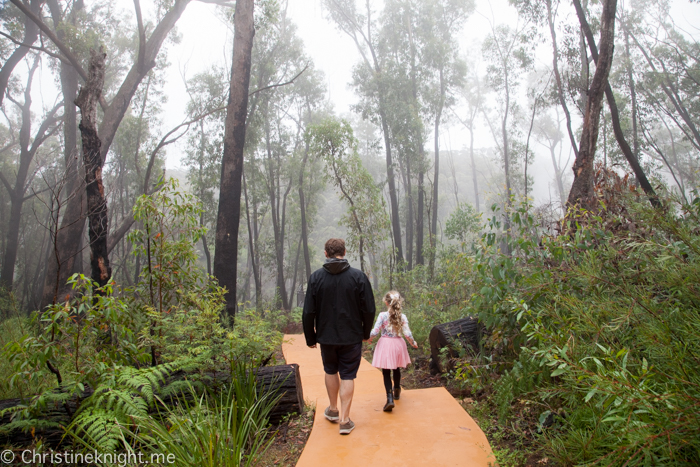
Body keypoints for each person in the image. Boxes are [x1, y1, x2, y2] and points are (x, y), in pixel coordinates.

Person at [302, 238, 376, 435]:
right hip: (351, 336)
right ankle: (344, 420)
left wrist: (311, 337)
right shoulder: (358, 277)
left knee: (330, 370)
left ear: (326, 253)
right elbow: (369, 309)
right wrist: (365, 332)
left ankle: (333, 410)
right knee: (348, 375)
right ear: (344, 251)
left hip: (326, 337)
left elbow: (308, 311)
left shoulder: (316, 278)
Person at [368, 290, 418, 412]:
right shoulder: (402, 316)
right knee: (396, 368)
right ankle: (397, 389)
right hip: (398, 344)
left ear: (386, 302)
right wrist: (413, 343)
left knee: (386, 371)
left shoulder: (382, 315)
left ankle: (389, 398)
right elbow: (407, 333)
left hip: (385, 344)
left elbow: (375, 331)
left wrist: (368, 338)